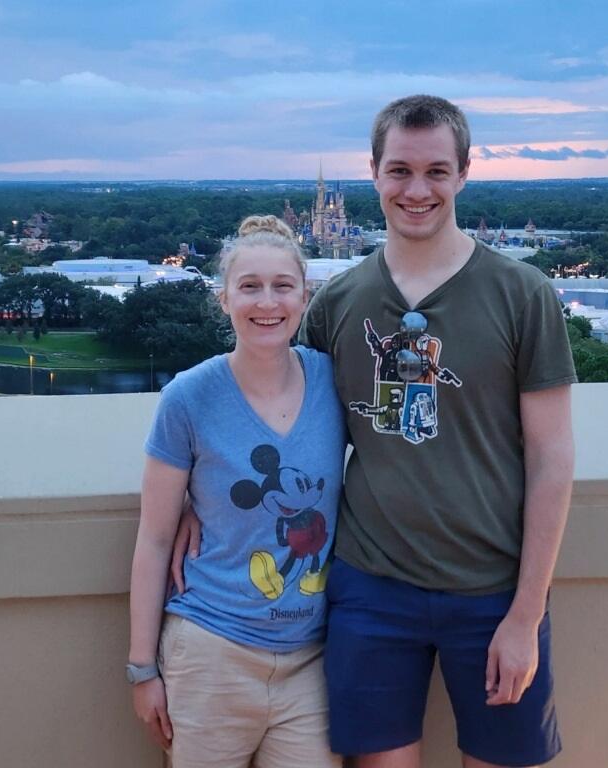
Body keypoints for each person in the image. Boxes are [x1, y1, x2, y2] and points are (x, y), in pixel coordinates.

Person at [175, 95, 576, 768]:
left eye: (436, 172)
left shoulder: (523, 294)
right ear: (374, 173)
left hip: (493, 592)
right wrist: (197, 490)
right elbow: (281, 415)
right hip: (371, 589)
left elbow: (552, 459)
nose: (416, 190)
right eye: (399, 171)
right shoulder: (338, 302)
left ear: (464, 174)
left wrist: (525, 615)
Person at [128, 215, 345, 768]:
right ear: (224, 299)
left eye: (282, 286)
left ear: (304, 296)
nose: (266, 302)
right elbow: (154, 540)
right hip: (210, 652)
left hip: (310, 661)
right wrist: (142, 669)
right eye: (249, 286)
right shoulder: (188, 398)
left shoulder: (334, 381)